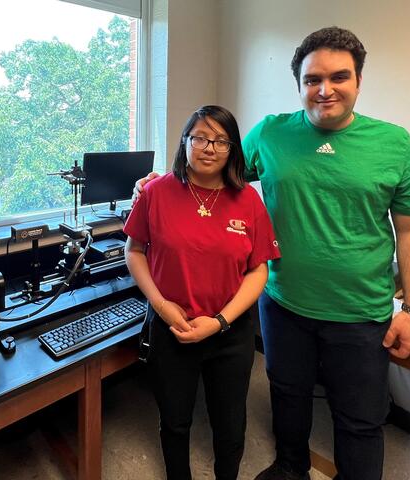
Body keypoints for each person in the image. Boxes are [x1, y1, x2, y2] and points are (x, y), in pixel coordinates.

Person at [134, 27, 410, 480]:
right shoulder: (271, 134)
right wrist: (163, 181)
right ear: (299, 84)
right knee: (287, 396)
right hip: (283, 306)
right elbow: (218, 172)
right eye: (313, 79)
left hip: (360, 313)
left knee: (359, 419)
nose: (325, 89)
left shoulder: (394, 144)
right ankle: (291, 468)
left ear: (358, 81)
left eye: (339, 77)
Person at [124, 105, 281, 480]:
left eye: (221, 140)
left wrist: (221, 320)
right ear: (185, 142)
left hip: (230, 334)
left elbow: (259, 269)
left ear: (233, 149)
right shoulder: (156, 192)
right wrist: (161, 306)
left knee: (230, 427)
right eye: (200, 138)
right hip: (170, 327)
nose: (209, 148)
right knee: (174, 422)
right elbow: (134, 251)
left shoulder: (248, 201)